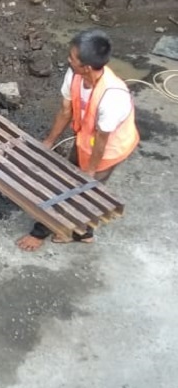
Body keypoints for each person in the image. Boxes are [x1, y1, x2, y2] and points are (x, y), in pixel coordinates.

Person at [17, 27, 139, 251]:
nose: (68, 60)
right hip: (86, 141)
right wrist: (49, 141)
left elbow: (102, 140)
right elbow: (65, 111)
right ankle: (81, 231)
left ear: (88, 67)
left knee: (79, 190)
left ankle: (55, 232)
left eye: (72, 58)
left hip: (109, 150)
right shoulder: (75, 74)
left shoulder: (113, 97)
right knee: (70, 180)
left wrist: (91, 171)